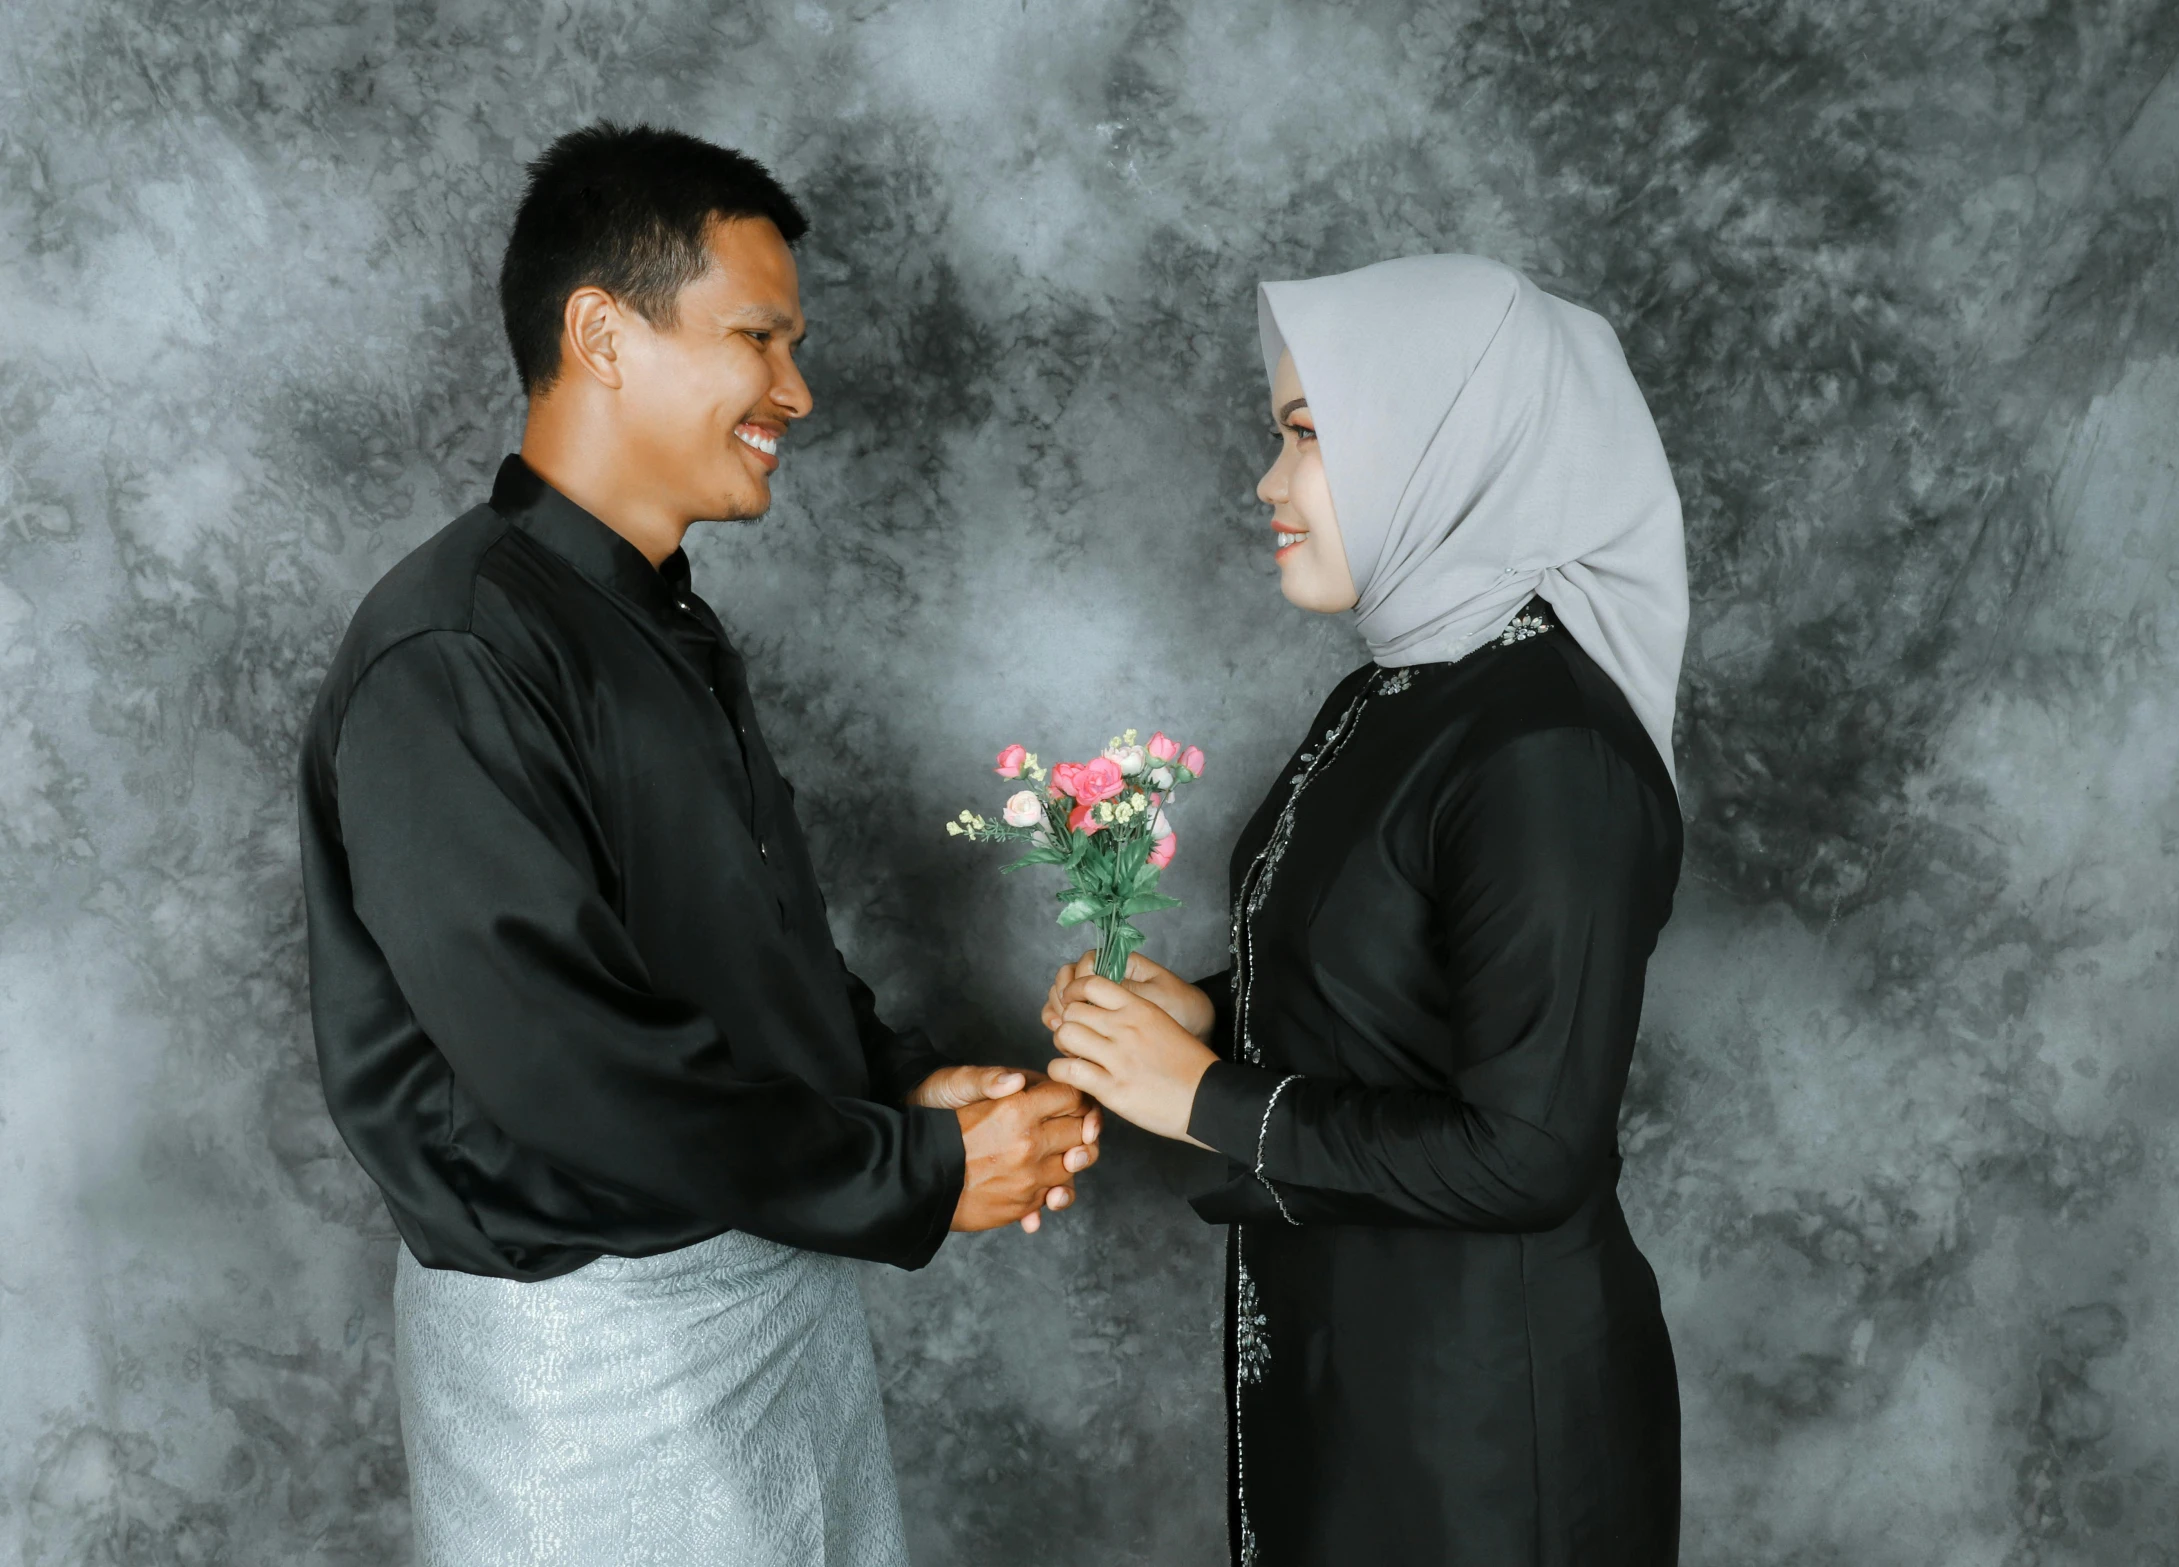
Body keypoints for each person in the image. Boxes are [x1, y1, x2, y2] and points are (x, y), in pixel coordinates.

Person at [296, 123, 1099, 1566]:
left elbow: (734, 952)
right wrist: (909, 1170)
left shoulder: (654, 617)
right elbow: (566, 1072)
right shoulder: (457, 650)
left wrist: (896, 1080)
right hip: (597, 1363)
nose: (795, 388)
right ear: (602, 332)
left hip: (766, 1313)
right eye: (757, 338)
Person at [1042, 254, 1689, 1565]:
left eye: (1305, 439)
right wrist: (1209, 1014)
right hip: (1364, 1370)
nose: (1268, 485)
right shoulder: (1395, 695)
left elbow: (1525, 1147)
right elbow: (1397, 984)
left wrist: (1203, 1095)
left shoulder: (1543, 747)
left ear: (1445, 449)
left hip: (1482, 1427)